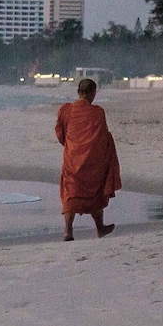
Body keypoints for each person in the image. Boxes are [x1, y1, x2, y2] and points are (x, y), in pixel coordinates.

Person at [55, 78, 122, 241]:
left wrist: (71, 145)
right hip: (94, 160)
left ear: (78, 92)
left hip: (73, 158)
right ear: (93, 94)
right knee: (95, 192)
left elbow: (60, 132)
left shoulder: (66, 110)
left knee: (71, 192)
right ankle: (100, 227)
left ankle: (68, 231)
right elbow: (102, 137)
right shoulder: (98, 112)